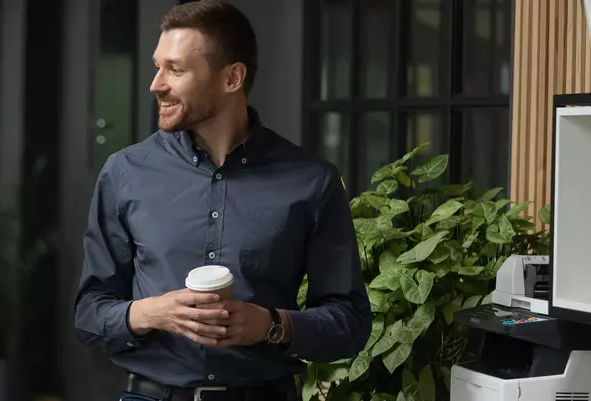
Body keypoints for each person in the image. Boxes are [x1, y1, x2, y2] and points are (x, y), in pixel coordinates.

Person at [74, 1, 372, 400]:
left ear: (232, 77)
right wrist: (153, 312)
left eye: (175, 69)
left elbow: (350, 322)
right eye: (157, 66)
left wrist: (271, 324)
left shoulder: (311, 181)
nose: (156, 84)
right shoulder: (125, 172)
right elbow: (90, 313)